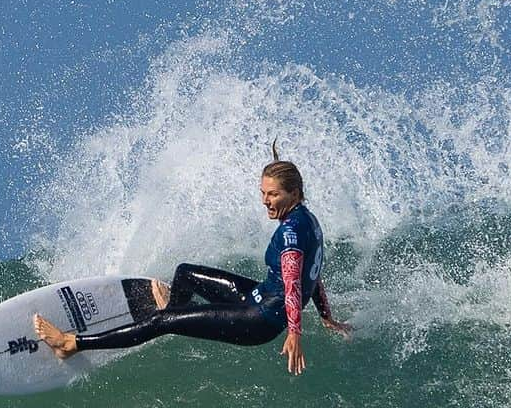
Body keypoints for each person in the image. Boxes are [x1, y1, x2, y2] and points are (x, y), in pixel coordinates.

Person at [33, 147, 351, 374]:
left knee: (160, 322)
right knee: (185, 273)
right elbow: (314, 273)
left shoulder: (291, 235)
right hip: (259, 295)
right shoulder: (308, 222)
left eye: (273, 195)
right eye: (263, 192)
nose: (265, 201)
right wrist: (326, 315)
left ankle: (71, 343)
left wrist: (294, 332)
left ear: (294, 194)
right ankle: (173, 318)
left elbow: (295, 285)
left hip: (260, 320)